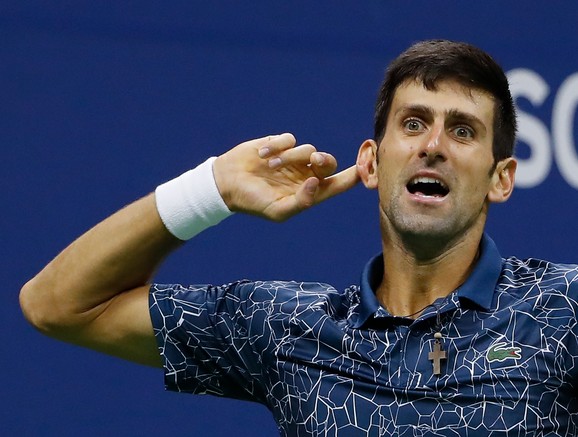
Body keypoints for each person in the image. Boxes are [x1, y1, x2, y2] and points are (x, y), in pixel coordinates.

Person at [20, 40, 577, 436]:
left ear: (501, 178)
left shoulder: (561, 311)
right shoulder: (290, 327)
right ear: (372, 163)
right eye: (413, 123)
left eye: (462, 130)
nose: (432, 146)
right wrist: (210, 190)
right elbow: (57, 305)